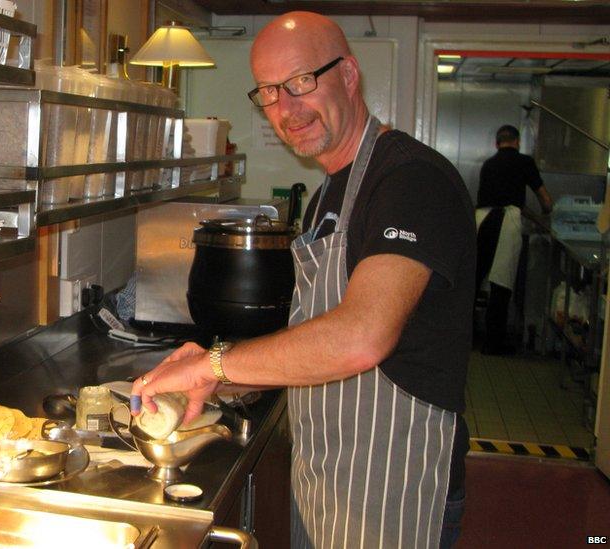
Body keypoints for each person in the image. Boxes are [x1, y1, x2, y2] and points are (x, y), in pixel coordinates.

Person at [131, 12, 475, 549]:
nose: (285, 110)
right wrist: (216, 377)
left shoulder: (410, 181)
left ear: (350, 75)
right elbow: (313, 341)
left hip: (393, 486)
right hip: (329, 479)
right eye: (269, 92)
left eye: (301, 83)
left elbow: (362, 335)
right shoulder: (328, 194)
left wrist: (215, 362)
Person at [476, 125, 552, 355]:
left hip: (481, 220)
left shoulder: (488, 164)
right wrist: (547, 213)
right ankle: (493, 343)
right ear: (517, 142)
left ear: (497, 143)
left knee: (474, 279)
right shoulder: (525, 162)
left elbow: (499, 197)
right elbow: (544, 198)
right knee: (501, 283)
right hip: (507, 223)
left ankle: (466, 338)